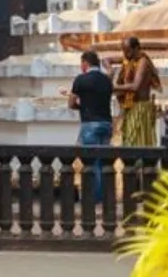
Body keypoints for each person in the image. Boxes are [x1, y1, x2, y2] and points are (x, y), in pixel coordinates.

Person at [67, 51, 115, 202]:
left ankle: (96, 199)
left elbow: (71, 103)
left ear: (85, 63)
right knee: (103, 162)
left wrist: (80, 105)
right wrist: (110, 70)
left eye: (81, 64)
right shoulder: (106, 80)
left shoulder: (80, 80)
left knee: (92, 163)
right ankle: (105, 197)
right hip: (107, 124)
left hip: (90, 124)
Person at [113, 36, 161, 147]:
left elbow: (135, 87)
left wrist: (113, 88)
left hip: (140, 108)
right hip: (128, 107)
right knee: (127, 141)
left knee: (136, 142)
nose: (125, 54)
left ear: (137, 48)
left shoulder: (143, 62)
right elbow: (107, 60)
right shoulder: (129, 61)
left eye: (128, 51)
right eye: (123, 51)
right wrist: (109, 68)